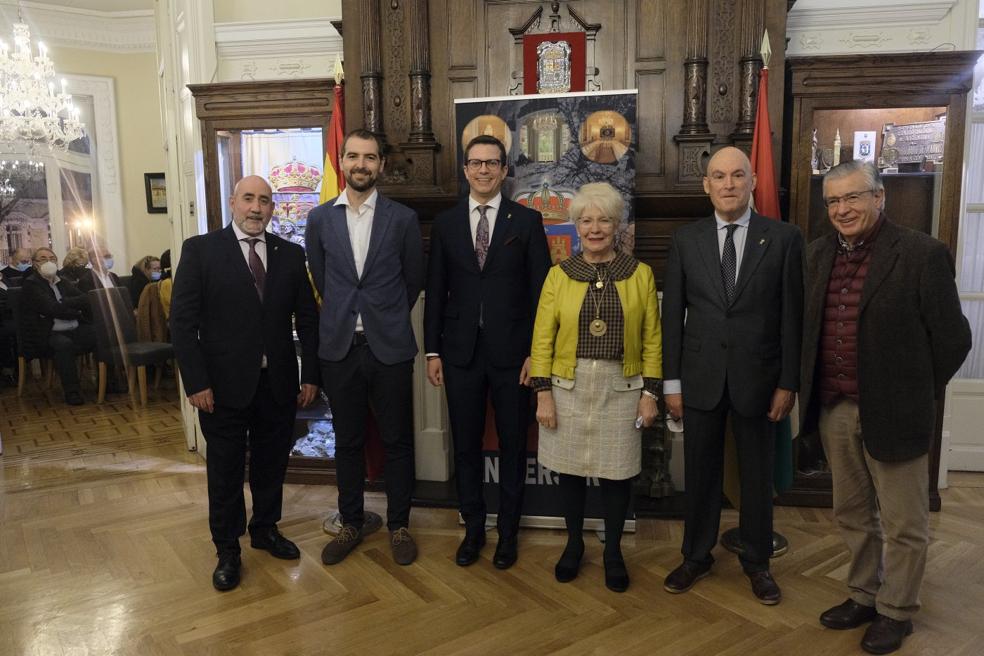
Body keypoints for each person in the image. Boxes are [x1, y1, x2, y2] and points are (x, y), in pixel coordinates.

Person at [800, 161, 971, 654]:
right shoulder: (815, 257)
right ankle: (863, 595)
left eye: (853, 197)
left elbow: (954, 339)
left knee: (904, 523)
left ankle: (897, 611)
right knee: (852, 513)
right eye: (832, 201)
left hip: (897, 411)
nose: (842, 209)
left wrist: (916, 389)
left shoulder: (922, 254)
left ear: (879, 197)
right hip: (836, 408)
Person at [661, 146, 803, 604]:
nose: (728, 184)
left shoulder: (783, 238)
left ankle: (757, 562)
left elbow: (792, 317)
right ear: (706, 185)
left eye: (737, 175)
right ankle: (696, 556)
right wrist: (672, 383)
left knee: (756, 478)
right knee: (700, 473)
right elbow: (673, 319)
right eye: (718, 176)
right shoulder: (687, 240)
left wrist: (788, 381)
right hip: (699, 378)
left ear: (753, 181)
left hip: (759, 381)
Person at [169, 175, 320, 591]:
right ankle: (228, 549)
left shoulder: (291, 254)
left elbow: (307, 319)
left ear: (274, 209)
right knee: (225, 471)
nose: (256, 208)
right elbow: (182, 324)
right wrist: (196, 382)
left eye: (265, 201)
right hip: (220, 388)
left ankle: (266, 529)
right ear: (233, 202)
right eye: (249, 199)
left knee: (273, 464)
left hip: (279, 384)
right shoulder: (200, 251)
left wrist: (312, 376)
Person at [424, 134, 551, 570]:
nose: (483, 170)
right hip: (459, 355)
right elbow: (435, 291)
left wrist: (539, 354)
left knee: (514, 446)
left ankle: (508, 535)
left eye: (492, 163)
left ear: (504, 170)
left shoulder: (527, 222)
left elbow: (542, 294)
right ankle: (473, 529)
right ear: (465, 169)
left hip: (515, 357)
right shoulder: (445, 224)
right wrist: (431, 353)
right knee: (466, 446)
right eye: (475, 163)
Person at [529, 182, 661, 592]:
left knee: (617, 475)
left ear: (617, 224)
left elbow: (653, 338)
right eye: (586, 220)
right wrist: (543, 392)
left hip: (621, 386)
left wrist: (650, 394)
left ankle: (613, 553)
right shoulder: (558, 275)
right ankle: (573, 547)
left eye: (603, 219)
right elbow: (542, 339)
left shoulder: (641, 275)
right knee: (569, 473)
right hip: (568, 386)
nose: (595, 228)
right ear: (576, 226)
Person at [306, 129, 424, 567]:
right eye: (353, 156)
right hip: (339, 348)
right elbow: (321, 279)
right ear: (342, 161)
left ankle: (399, 525)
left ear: (381, 165)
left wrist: (384, 316)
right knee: (348, 442)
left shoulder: (403, 218)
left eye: (369, 157)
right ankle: (351, 522)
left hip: (389, 347)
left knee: (396, 441)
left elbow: (413, 280)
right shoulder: (319, 219)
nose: (361, 164)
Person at [19, 248, 95, 405]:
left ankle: (109, 382)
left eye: (52, 258)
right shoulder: (31, 284)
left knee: (100, 333)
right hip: (47, 333)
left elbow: (85, 299)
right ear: (35, 264)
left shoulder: (62, 281)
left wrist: (64, 303)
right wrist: (73, 310)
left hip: (73, 327)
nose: (48, 262)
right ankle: (72, 392)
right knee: (64, 344)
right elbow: (51, 308)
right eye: (43, 259)